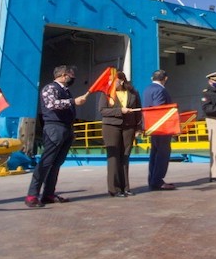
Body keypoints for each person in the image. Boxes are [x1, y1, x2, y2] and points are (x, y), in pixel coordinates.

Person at [25, 65, 89, 207]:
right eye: (70, 74)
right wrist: (73, 102)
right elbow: (51, 104)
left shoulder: (66, 91)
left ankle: (48, 193)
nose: (72, 77)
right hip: (54, 127)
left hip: (66, 128)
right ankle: (32, 195)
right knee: (46, 161)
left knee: (56, 163)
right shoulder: (50, 88)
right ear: (63, 75)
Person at [99, 71, 142, 197]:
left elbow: (138, 112)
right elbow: (102, 111)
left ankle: (126, 187)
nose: (111, 83)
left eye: (114, 80)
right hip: (111, 126)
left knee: (125, 156)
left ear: (122, 81)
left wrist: (138, 128)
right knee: (113, 157)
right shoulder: (106, 93)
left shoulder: (133, 93)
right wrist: (120, 110)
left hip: (129, 127)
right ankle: (114, 188)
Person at [141, 69, 176, 190]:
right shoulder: (160, 90)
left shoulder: (147, 89)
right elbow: (159, 108)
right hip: (162, 127)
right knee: (163, 153)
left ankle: (153, 179)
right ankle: (158, 181)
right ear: (165, 78)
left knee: (154, 153)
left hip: (152, 127)